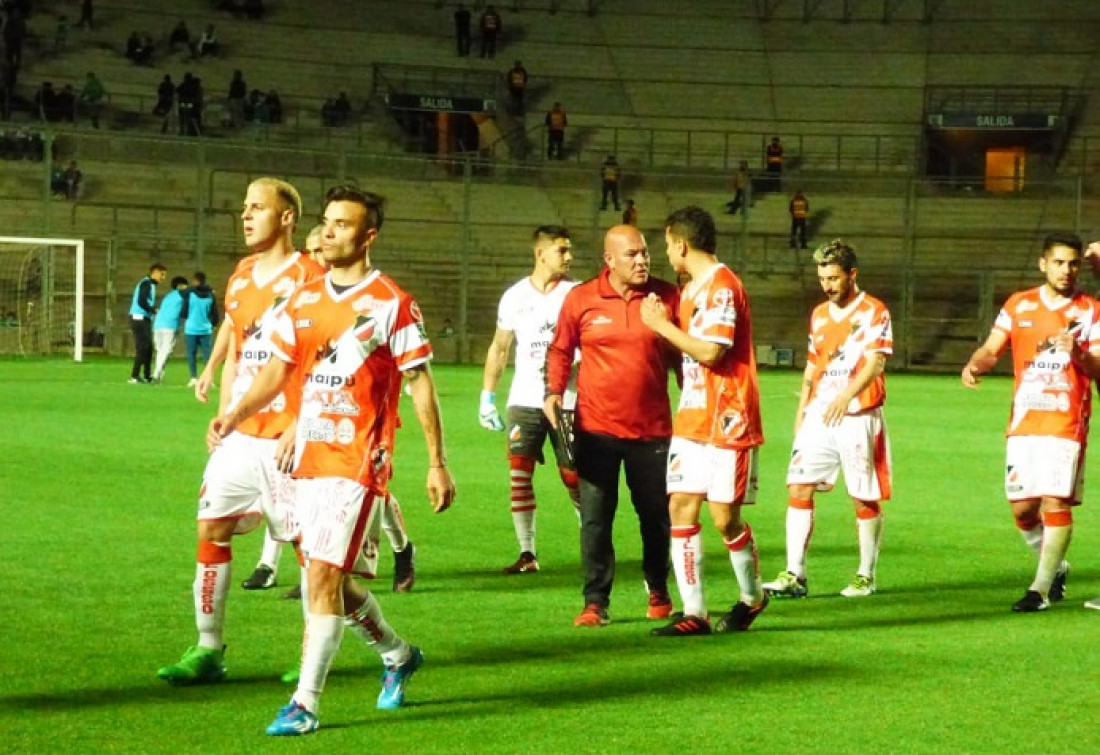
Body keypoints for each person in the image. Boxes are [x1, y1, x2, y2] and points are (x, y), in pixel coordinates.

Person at [207, 185, 455, 735]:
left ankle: (305, 703)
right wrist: (234, 412)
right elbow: (276, 369)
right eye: (329, 222)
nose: (332, 231)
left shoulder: (392, 302)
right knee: (336, 585)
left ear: (368, 236)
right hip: (305, 460)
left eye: (345, 224)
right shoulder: (302, 299)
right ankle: (396, 654)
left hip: (359, 460)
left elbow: (419, 383)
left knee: (320, 576)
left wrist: (437, 462)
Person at [155, 178, 323, 686]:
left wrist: (301, 421)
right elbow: (237, 350)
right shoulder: (243, 274)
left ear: (287, 217)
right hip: (240, 435)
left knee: (306, 548)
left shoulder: (312, 277)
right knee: (211, 529)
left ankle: (311, 655)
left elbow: (322, 359)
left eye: (257, 208)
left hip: (286, 438)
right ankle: (208, 649)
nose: (245, 216)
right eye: (243, 208)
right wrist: (226, 412)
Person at [641, 207, 768, 636]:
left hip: (728, 417)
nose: (666, 255)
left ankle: (753, 597)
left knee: (723, 519)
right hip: (694, 415)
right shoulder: (693, 288)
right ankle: (694, 612)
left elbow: (713, 352)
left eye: (667, 246)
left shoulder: (722, 287)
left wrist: (661, 326)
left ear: (681, 243)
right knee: (680, 505)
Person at [544, 225, 679, 627]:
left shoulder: (667, 296)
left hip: (653, 429)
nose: (641, 261)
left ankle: (658, 588)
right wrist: (553, 392)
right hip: (597, 429)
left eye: (645, 254)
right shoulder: (581, 297)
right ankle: (595, 601)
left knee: (655, 515)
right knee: (596, 519)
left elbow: (681, 357)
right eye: (631, 255)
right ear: (609, 260)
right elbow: (561, 348)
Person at [962, 232, 1099, 613]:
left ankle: (1038, 590)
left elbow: (1099, 368)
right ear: (1043, 264)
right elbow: (992, 348)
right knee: (1023, 508)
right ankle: (1056, 566)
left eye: (1073, 263)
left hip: (1065, 419)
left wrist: (1081, 354)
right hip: (1024, 420)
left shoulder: (1090, 310)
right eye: (1059, 262)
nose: (1066, 270)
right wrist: (976, 363)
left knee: (1055, 500)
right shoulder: (1018, 304)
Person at [762, 239, 893, 600]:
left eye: (834, 278)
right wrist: (801, 412)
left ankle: (866, 574)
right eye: (823, 278)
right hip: (820, 414)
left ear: (852, 274)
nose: (828, 285)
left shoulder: (874, 311)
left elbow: (876, 362)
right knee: (798, 486)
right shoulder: (819, 314)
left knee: (862, 497)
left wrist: (846, 395)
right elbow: (811, 366)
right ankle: (795, 575)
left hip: (858, 413)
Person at [481, 226, 581, 574]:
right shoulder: (514, 297)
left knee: (573, 475)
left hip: (568, 396)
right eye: (562, 251)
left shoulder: (576, 293)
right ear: (541, 254)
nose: (569, 257)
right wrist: (487, 396)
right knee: (519, 470)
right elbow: (499, 347)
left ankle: (592, 539)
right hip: (524, 397)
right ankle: (527, 554)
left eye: (569, 251)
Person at [130, 263, 166, 384]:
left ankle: (146, 375)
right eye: (162, 274)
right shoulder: (146, 283)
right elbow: (141, 301)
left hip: (143, 318)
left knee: (148, 348)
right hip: (138, 318)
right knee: (143, 347)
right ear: (155, 272)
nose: (163, 278)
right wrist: (152, 309)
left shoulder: (150, 285)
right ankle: (134, 376)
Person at [184, 271, 219, 388]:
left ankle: (193, 378)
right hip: (206, 329)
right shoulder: (210, 294)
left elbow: (184, 311)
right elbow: (215, 313)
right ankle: (208, 379)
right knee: (208, 355)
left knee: (191, 354)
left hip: (191, 329)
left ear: (195, 280)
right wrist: (213, 324)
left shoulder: (190, 293)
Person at [152, 275, 190, 383]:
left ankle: (158, 374)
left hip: (158, 325)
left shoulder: (168, 296)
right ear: (180, 286)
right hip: (170, 325)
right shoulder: (181, 294)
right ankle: (156, 374)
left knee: (160, 351)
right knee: (165, 351)